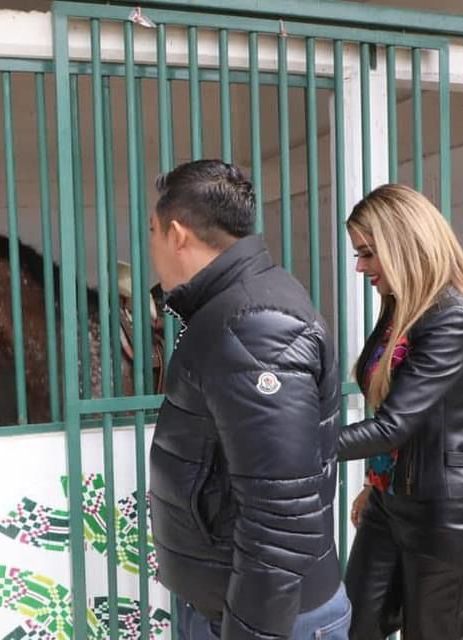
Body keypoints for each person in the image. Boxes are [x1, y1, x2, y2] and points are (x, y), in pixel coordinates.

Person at [146, 159, 349, 639]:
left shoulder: (254, 323)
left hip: (266, 620)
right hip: (236, 604)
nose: (151, 246)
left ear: (176, 234)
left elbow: (280, 519)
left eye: (152, 231)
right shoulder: (233, 308)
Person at [338, 184, 463, 640]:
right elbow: (393, 410)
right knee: (356, 628)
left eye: (368, 253)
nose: (360, 267)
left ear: (402, 245)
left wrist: (296, 445)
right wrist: (371, 485)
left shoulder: (449, 317)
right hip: (390, 502)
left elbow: (393, 426)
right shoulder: (400, 310)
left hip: (446, 513)